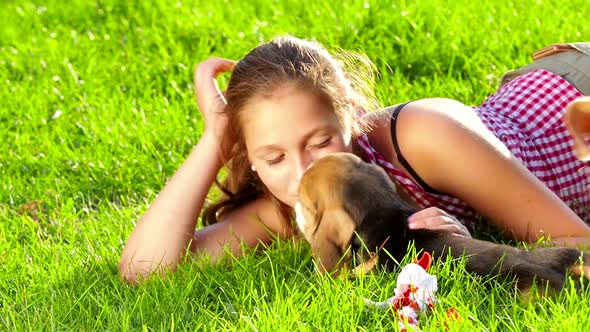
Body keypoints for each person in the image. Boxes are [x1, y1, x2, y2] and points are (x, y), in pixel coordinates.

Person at [118, 37, 590, 284]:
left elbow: (576, 240)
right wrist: (215, 139)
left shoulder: (424, 138)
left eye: (321, 140)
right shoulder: (296, 204)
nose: (302, 169)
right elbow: (145, 269)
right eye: (275, 155)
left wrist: (465, 245)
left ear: (352, 118)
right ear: (253, 161)